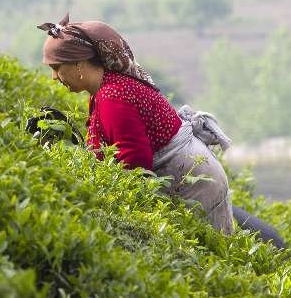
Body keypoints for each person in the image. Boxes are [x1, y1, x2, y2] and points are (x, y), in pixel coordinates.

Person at [38, 13, 235, 235]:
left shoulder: (113, 97)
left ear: (78, 64)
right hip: (190, 174)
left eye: (57, 68)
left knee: (205, 254)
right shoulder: (105, 90)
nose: (55, 77)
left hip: (195, 184)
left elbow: (135, 167)